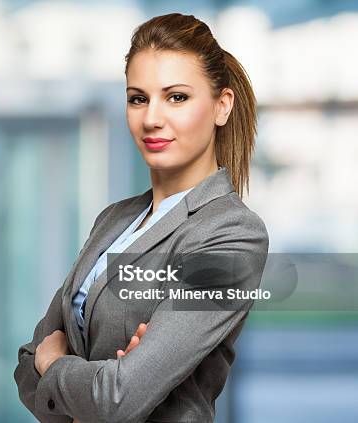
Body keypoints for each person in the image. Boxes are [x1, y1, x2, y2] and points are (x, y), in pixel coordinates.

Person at [14, 13, 269, 423]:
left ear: (222, 106)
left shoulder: (232, 234)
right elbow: (26, 364)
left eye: (177, 97)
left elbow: (117, 398)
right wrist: (96, 386)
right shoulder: (114, 220)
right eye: (138, 98)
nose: (152, 118)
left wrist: (56, 365)